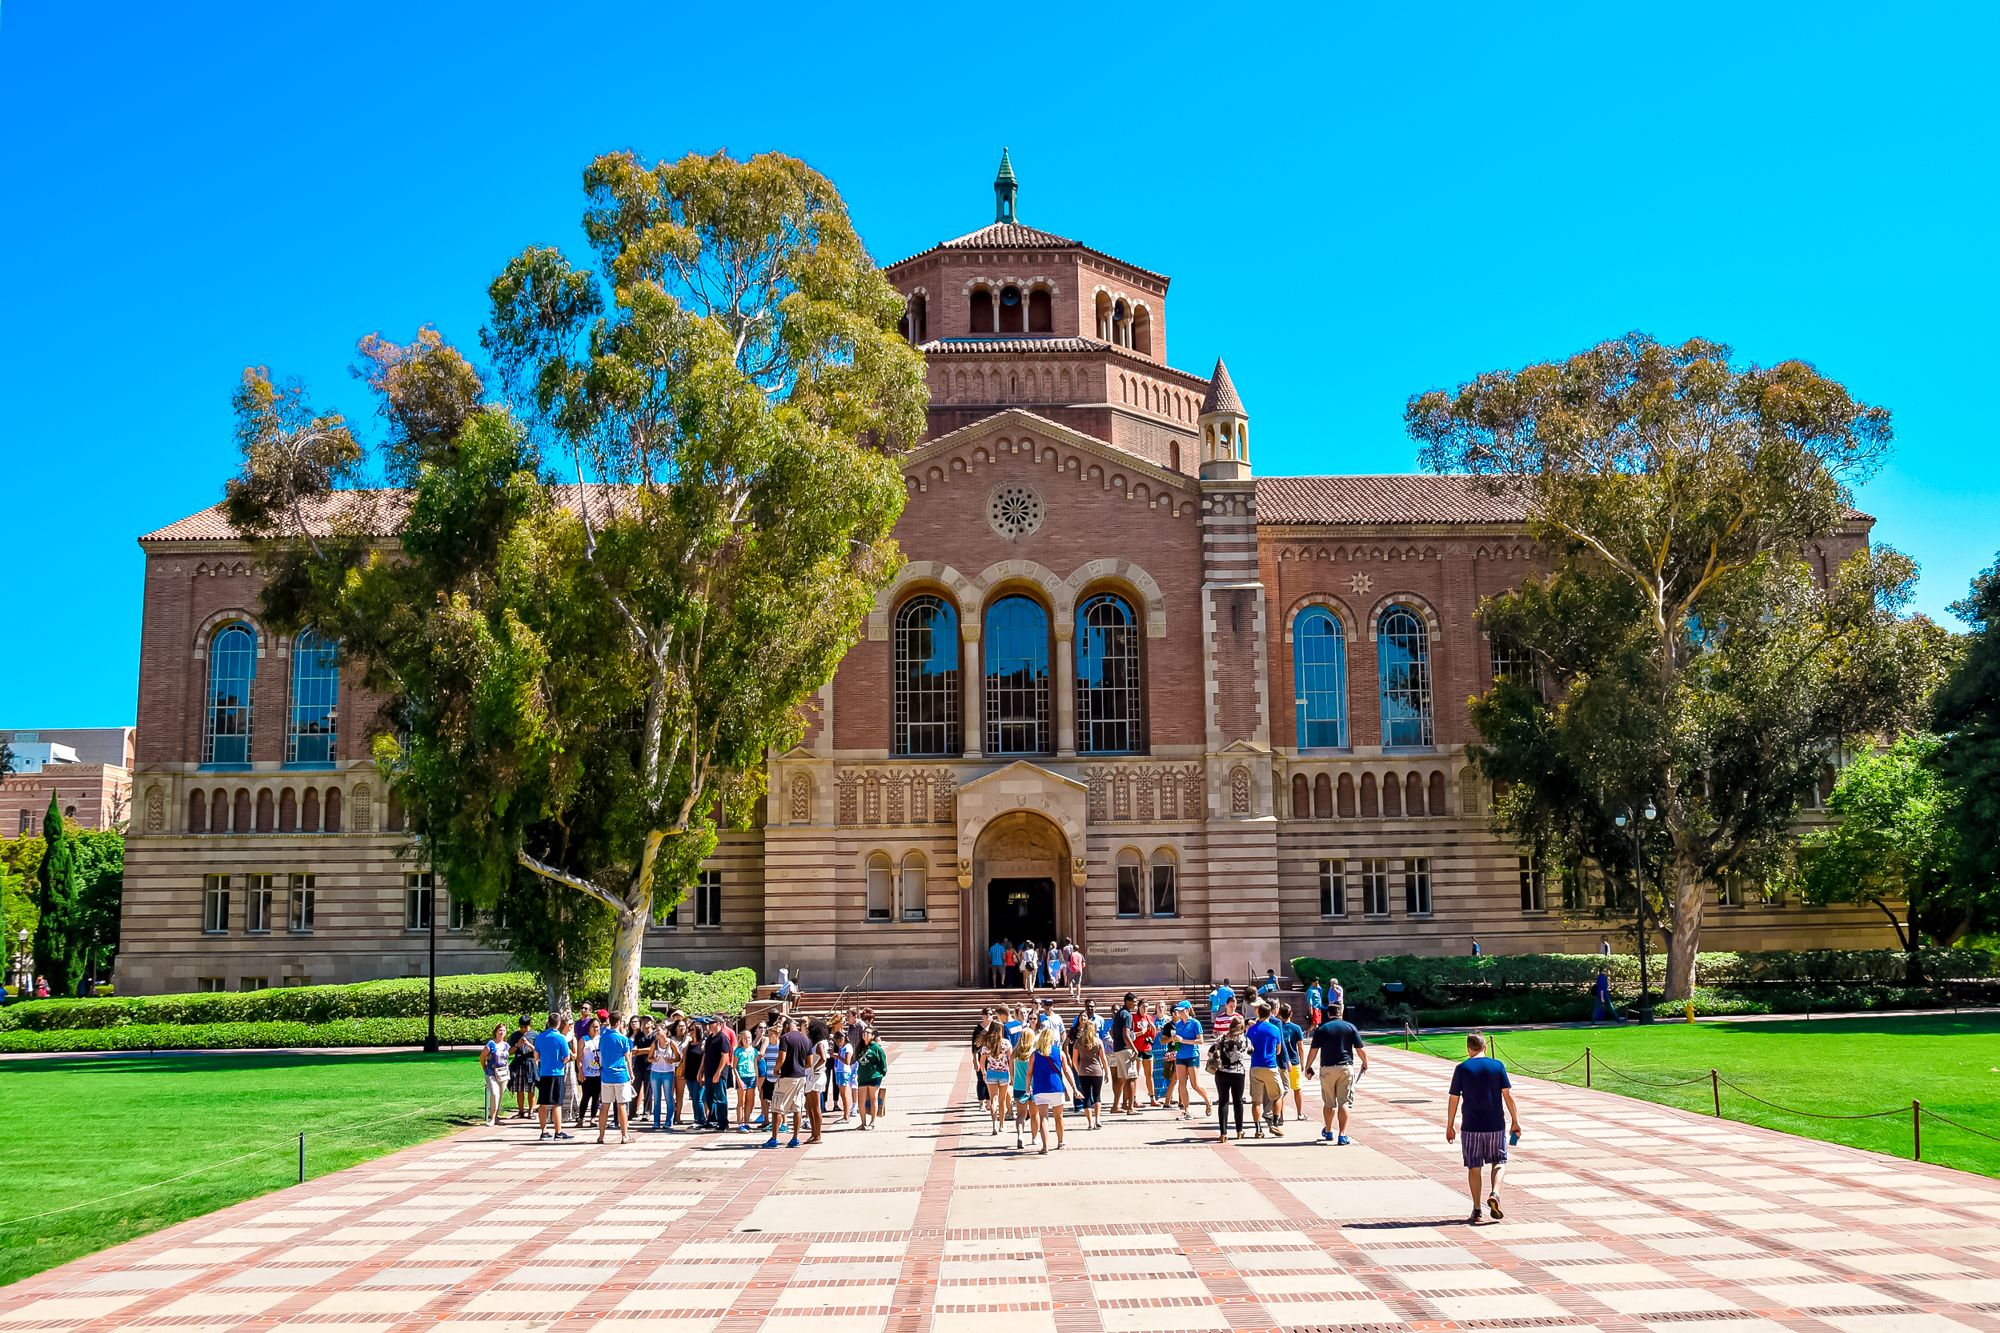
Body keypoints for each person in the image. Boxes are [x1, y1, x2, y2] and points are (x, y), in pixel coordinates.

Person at [1446, 1033, 1522, 1225]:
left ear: (1468, 1049)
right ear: (1485, 1047)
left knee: (1474, 1167)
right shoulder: (1497, 1066)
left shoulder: (1461, 1068)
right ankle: (1495, 1193)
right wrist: (1515, 1120)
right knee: (1499, 1161)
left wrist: (1450, 1125)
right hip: (1495, 1124)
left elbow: (1454, 1098)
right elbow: (1507, 1094)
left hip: (1471, 1126)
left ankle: (1477, 1209)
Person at [1302, 1001, 1368, 1144]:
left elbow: (1314, 1051)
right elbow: (1359, 1049)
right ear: (1341, 1013)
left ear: (1328, 1014)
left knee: (1329, 1103)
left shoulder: (1322, 1029)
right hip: (1345, 1067)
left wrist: (1307, 1066)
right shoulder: (1350, 1027)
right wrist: (1365, 1062)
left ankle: (1329, 1130)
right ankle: (1342, 1135)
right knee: (1344, 1103)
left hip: (1327, 1068)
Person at [766, 1015, 813, 1149]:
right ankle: (795, 1139)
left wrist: (776, 1070)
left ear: (786, 1026)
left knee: (777, 1107)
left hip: (786, 1076)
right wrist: (800, 1068)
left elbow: (782, 1057)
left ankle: (774, 1139)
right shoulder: (806, 1039)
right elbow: (809, 1063)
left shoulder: (785, 1038)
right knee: (797, 1108)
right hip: (800, 1077)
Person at [1029, 1025, 1076, 1153]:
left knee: (1043, 1117)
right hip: (1056, 1087)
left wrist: (1028, 1087)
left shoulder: (1034, 1054)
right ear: (1052, 1039)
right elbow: (1067, 1071)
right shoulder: (1059, 1052)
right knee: (1058, 1116)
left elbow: (1029, 1073)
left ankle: (1045, 1146)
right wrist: (1074, 1088)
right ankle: (1060, 1141)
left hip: (1040, 1088)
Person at [1245, 1000, 1287, 1137]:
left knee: (1256, 1101)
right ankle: (1274, 1123)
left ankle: (1258, 1129)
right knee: (1277, 1096)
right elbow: (1279, 1050)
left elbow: (1248, 1047)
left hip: (1255, 1066)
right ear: (1270, 1014)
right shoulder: (1274, 1029)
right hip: (1270, 1066)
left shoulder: (1251, 1030)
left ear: (1258, 1013)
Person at [533, 1012, 574, 1141]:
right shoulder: (561, 1038)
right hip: (557, 1073)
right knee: (557, 1103)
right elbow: (567, 1056)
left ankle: (544, 1131)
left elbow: (536, 1056)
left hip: (544, 1072)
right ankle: (558, 1131)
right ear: (559, 1023)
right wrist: (561, 1063)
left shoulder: (540, 1037)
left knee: (543, 1103)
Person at [1208, 1015, 1250, 1141]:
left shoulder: (1222, 1038)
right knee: (1238, 1102)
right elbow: (1251, 1051)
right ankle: (1239, 1130)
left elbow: (1210, 1052)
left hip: (1222, 1073)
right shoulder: (1245, 1040)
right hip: (1238, 1073)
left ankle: (1223, 1133)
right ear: (1242, 1028)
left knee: (1223, 1102)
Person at [597, 1010, 634, 1144]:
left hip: (606, 1075)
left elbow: (601, 1053)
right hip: (620, 1075)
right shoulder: (623, 1039)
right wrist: (631, 1073)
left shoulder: (603, 1037)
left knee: (605, 1105)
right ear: (619, 1022)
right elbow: (628, 1057)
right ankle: (624, 1135)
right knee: (622, 1106)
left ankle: (601, 1136)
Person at [1170, 1000, 1210, 1118]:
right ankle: (1187, 1110)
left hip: (1192, 1055)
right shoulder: (1178, 1024)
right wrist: (1175, 1040)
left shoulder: (1195, 1023)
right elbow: (1177, 1041)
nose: (1178, 1013)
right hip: (1181, 1056)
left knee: (1195, 1084)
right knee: (1182, 1083)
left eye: (1180, 1011)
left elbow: (1200, 1040)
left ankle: (1208, 1101)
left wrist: (1184, 1040)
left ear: (1186, 1010)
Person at [1070, 1016, 1107, 1128]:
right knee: (1097, 1095)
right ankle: (1098, 1119)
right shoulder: (1098, 1042)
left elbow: (1074, 1060)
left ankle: (1090, 1122)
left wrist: (1078, 1069)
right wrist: (1106, 1071)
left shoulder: (1078, 1042)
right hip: (1096, 1071)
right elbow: (1103, 1058)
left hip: (1083, 1071)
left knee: (1086, 1096)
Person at [643, 1016, 678, 1131]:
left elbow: (679, 1058)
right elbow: (649, 1058)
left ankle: (669, 1120)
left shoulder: (671, 1043)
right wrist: (655, 1059)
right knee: (656, 1098)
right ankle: (656, 1121)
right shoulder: (655, 1043)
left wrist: (671, 1060)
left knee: (669, 1097)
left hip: (668, 1072)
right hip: (655, 1072)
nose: (656, 1033)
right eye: (656, 1031)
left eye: (658, 1031)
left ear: (665, 1032)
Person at [978, 1027, 1012, 1135]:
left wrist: (983, 1073)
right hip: (1003, 1073)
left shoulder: (987, 1044)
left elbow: (982, 1062)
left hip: (991, 1073)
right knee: (1002, 1101)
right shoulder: (1006, 1043)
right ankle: (1002, 1125)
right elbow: (1011, 1060)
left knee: (993, 1100)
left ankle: (994, 1125)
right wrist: (1012, 1073)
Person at [1278, 1002, 1307, 1122]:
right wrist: (1303, 1062)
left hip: (1280, 1062)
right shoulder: (1296, 1028)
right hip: (1294, 1061)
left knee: (1282, 1091)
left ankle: (1281, 1116)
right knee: (1297, 1088)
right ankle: (1300, 1113)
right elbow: (1300, 1047)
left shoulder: (1277, 1027)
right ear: (1291, 1014)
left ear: (1279, 1014)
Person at [856, 1023, 887, 1128]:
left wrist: (881, 1074)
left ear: (873, 1036)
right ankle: (863, 1122)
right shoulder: (860, 1047)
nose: (865, 1034)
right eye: (864, 1032)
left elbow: (883, 1063)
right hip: (862, 1077)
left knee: (873, 1099)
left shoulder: (876, 1048)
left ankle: (872, 1121)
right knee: (861, 1100)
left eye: (868, 1033)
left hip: (874, 1077)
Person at [508, 1014, 538, 1119]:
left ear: (530, 1025)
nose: (523, 1030)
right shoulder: (515, 1035)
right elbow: (509, 1052)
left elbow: (538, 1052)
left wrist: (529, 1045)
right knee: (519, 1089)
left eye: (525, 1027)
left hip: (530, 1063)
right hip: (518, 1063)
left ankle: (531, 1111)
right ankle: (521, 1111)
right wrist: (517, 1045)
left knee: (531, 1089)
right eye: (521, 1027)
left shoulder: (535, 1035)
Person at [480, 1022, 510, 1126]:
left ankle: (496, 1116)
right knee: (494, 1093)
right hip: (491, 1073)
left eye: (504, 1030)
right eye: (500, 1030)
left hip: (503, 1074)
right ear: (496, 1032)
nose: (502, 1032)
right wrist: (484, 1067)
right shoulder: (491, 1044)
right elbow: (482, 1057)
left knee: (500, 1096)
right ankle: (492, 1118)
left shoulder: (506, 1045)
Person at [1010, 1025, 1035, 1147]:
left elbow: (1011, 1069)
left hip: (1019, 1086)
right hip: (1033, 1087)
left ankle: (1020, 1135)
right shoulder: (1034, 1053)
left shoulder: (1015, 1052)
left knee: (1021, 1114)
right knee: (1035, 1114)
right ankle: (1034, 1138)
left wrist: (1013, 1078)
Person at [735, 1021, 762, 1131]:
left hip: (751, 1076)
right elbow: (734, 1066)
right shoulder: (738, 1051)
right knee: (741, 1101)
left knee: (750, 1101)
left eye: (749, 1038)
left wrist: (757, 1078)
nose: (747, 1040)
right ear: (741, 1039)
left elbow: (756, 1064)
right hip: (742, 1076)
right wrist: (739, 1080)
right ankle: (740, 1123)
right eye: (745, 1038)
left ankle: (746, 1121)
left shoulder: (754, 1051)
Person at [577, 1015, 603, 1123]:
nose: (596, 1029)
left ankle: (593, 1118)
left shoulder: (602, 1039)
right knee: (586, 1096)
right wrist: (580, 1072)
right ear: (589, 1028)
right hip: (587, 1072)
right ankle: (581, 1118)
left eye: (597, 1027)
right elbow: (579, 1058)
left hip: (599, 1073)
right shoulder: (584, 1040)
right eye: (593, 1027)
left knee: (596, 1097)